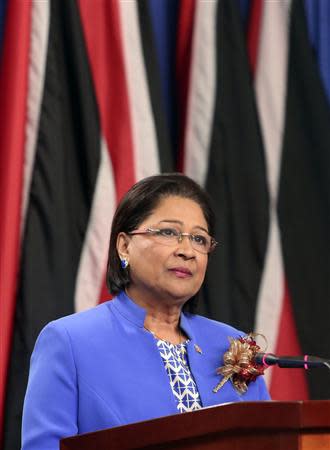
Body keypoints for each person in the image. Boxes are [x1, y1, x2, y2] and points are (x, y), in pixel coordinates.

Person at [22, 173, 270, 449]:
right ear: (124, 246)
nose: (187, 251)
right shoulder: (69, 341)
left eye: (199, 239)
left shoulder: (233, 344)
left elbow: (271, 441)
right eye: (168, 232)